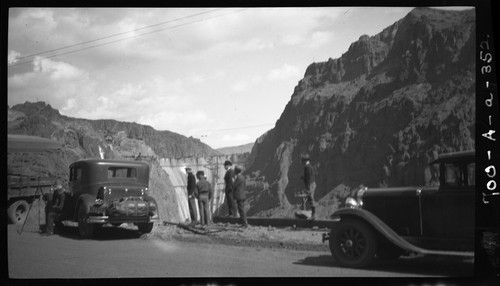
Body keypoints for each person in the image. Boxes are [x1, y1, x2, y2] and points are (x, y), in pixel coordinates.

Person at [301, 154, 317, 220]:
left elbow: (308, 178)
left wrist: (307, 188)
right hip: (313, 184)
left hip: (310, 185)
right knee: (311, 199)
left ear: (304, 161)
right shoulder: (310, 166)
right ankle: (313, 214)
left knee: (311, 200)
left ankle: (313, 216)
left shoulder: (307, 167)